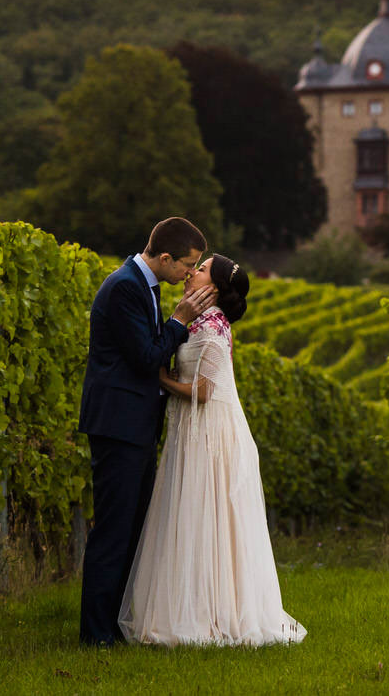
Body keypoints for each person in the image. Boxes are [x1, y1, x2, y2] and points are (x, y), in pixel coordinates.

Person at [119, 253, 306, 647]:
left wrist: (160, 379)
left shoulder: (211, 329)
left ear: (214, 288)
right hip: (193, 428)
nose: (192, 271)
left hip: (209, 433)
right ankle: (194, 609)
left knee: (202, 514)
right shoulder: (200, 322)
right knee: (190, 514)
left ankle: (207, 615)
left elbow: (204, 392)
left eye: (201, 269)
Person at [78, 217, 217, 647]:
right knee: (114, 530)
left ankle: (113, 626)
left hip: (133, 424)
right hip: (118, 425)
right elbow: (144, 358)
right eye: (186, 265)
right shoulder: (124, 287)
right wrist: (179, 320)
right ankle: (96, 634)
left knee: (131, 527)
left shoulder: (143, 286)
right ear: (164, 258)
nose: (188, 274)